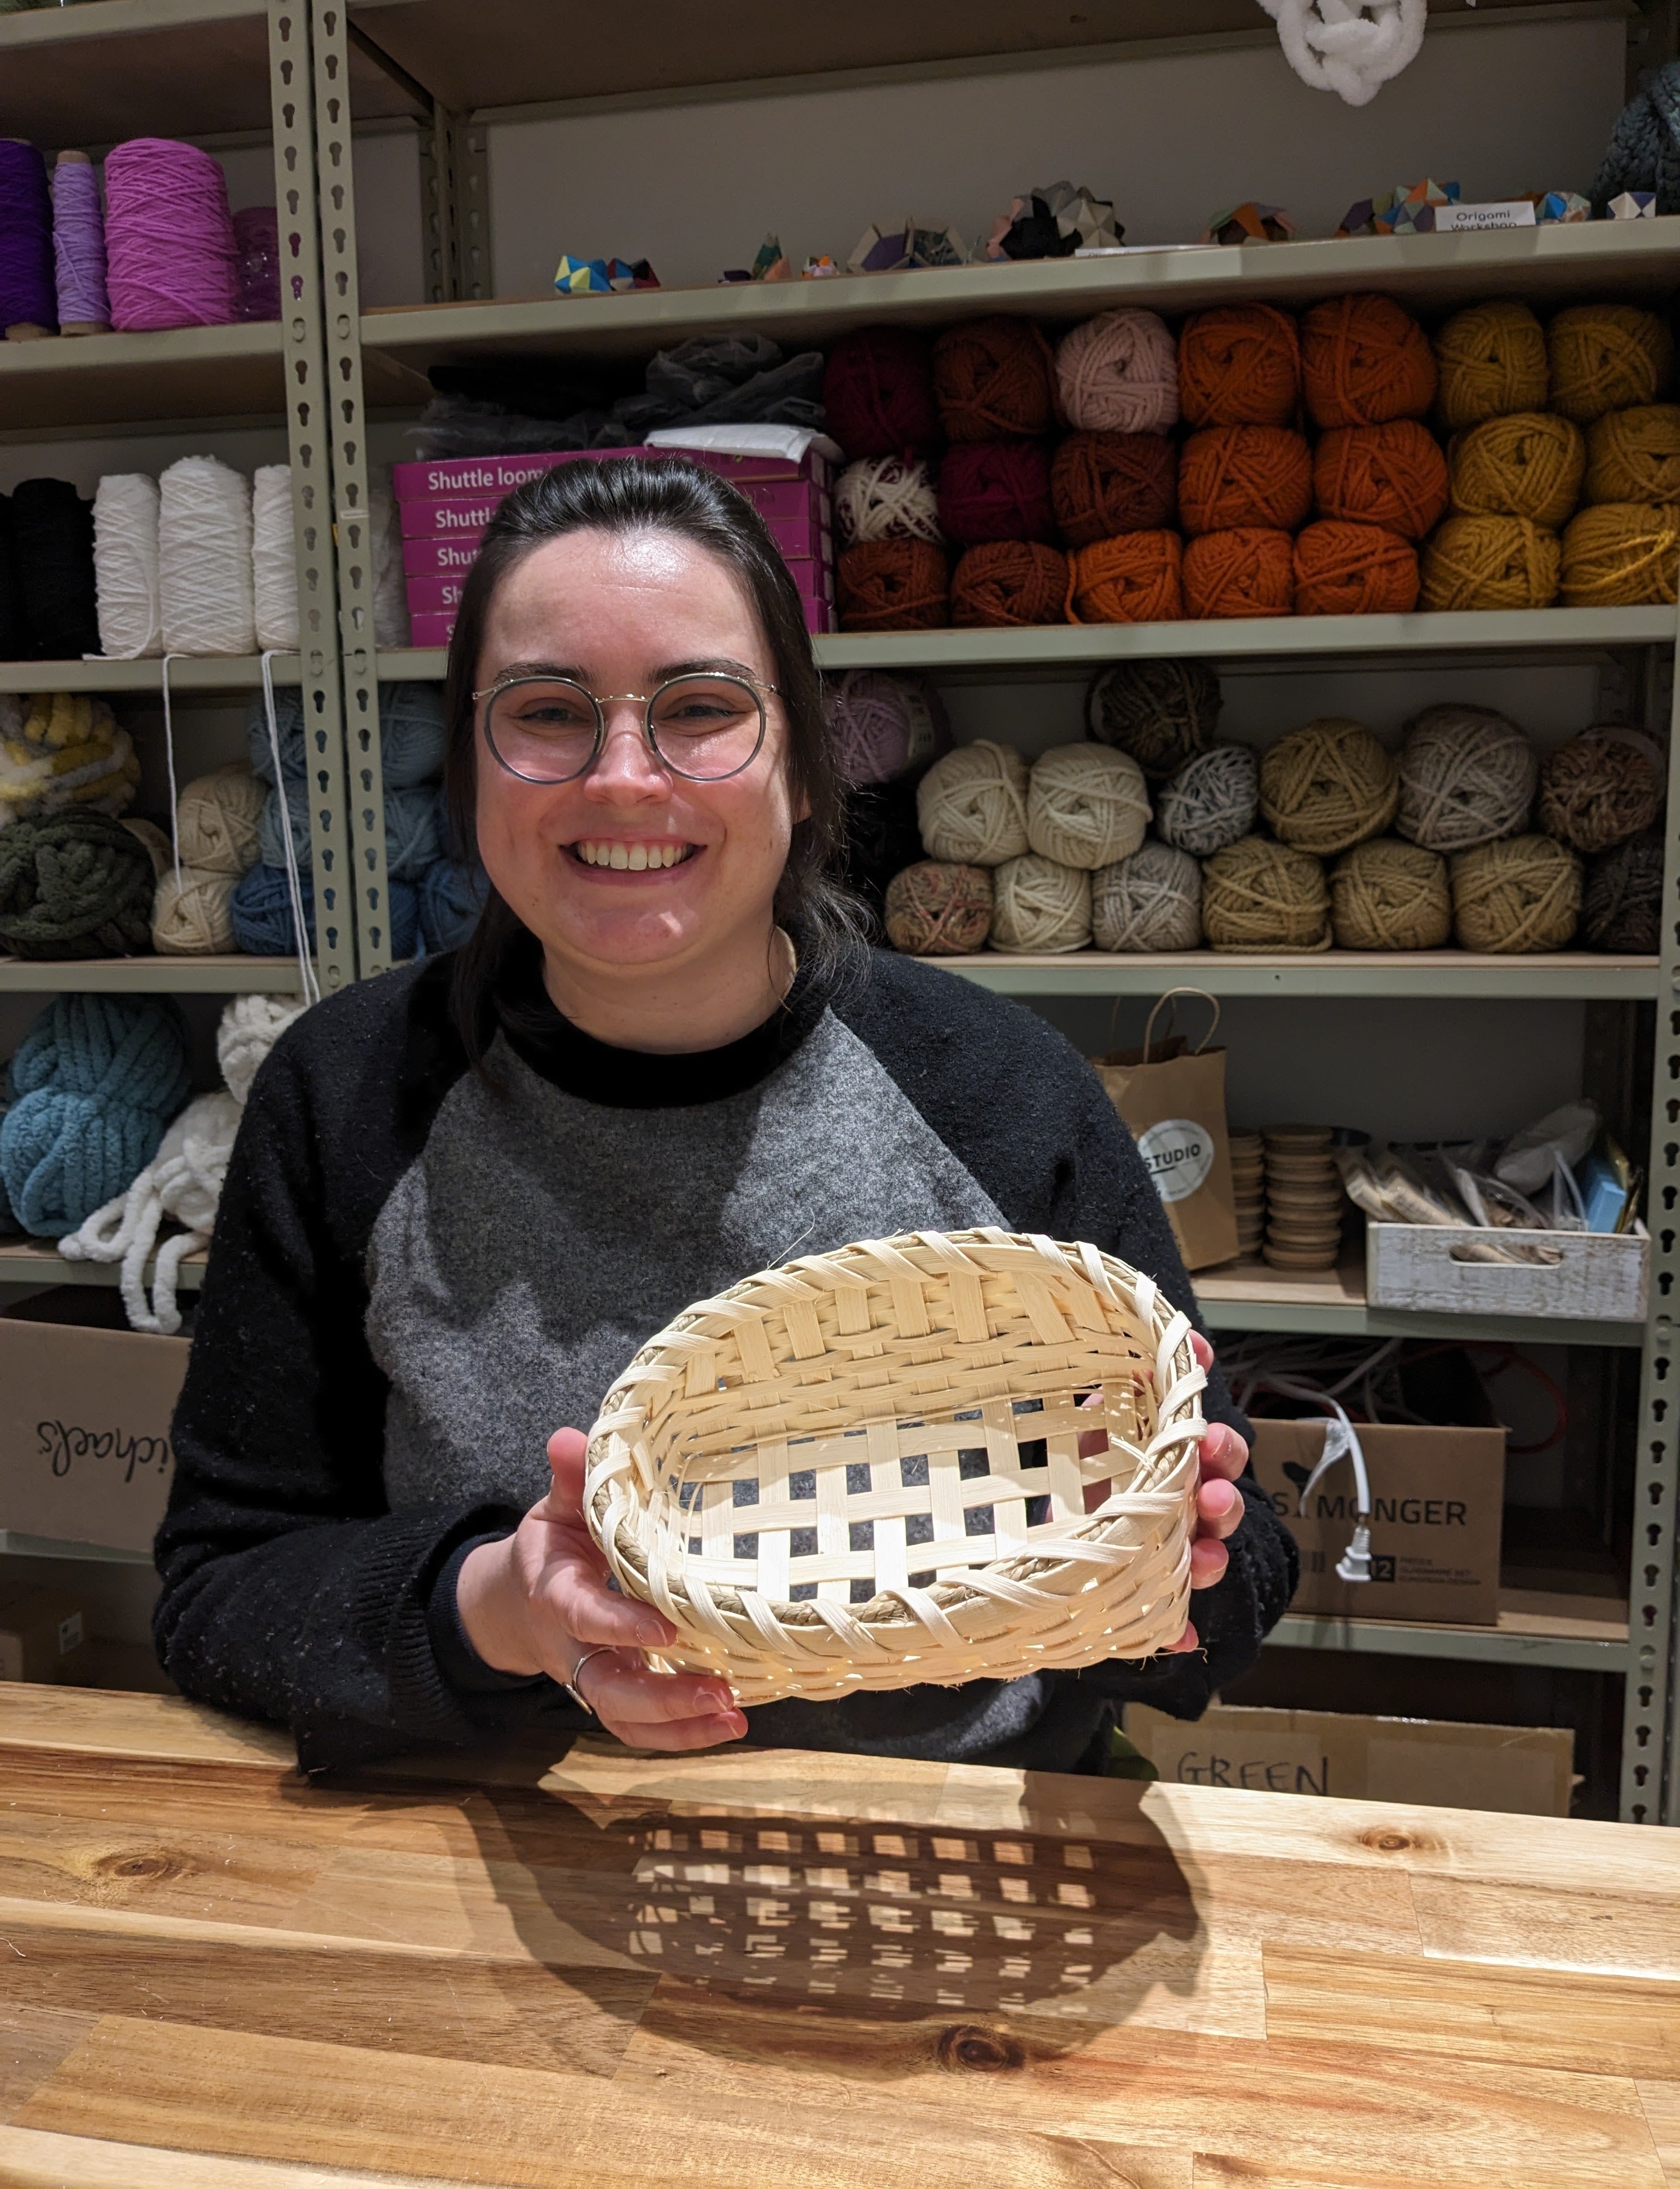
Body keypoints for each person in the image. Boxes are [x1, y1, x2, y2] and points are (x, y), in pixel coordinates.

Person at [154, 456, 1296, 1775]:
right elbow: (218, 1590)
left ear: (807, 770)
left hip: (955, 1851)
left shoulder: (995, 1090)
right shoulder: (346, 1093)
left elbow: (1243, 1562)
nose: (625, 778)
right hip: (524, 1848)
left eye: (700, 708)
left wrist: (1179, 1567)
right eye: (545, 711)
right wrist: (505, 1614)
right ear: (468, 770)